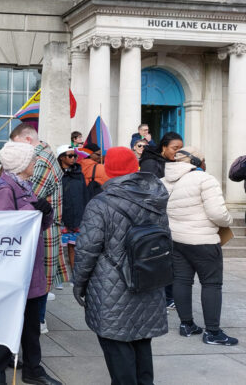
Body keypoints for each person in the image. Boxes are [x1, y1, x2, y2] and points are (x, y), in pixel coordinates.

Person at [73, 146, 168, 385]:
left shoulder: (100, 203)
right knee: (141, 339)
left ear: (108, 169)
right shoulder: (156, 197)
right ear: (134, 167)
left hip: (112, 283)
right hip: (148, 278)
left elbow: (86, 249)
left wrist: (79, 284)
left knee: (116, 343)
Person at [0, 141, 60, 385]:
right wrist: (32, 213)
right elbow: (3, 230)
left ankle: (34, 369)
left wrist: (44, 213)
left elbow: (38, 226)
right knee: (7, 323)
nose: (35, 163)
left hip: (30, 268)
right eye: (32, 160)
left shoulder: (24, 185)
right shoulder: (5, 188)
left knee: (32, 325)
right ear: (22, 164)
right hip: (14, 271)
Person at [162, 147, 238, 346]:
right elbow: (217, 214)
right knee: (212, 284)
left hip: (176, 239)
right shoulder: (205, 179)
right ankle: (212, 332)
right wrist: (228, 220)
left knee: (181, 280)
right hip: (202, 240)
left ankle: (187, 325)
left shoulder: (164, 181)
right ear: (197, 161)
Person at [11, 123, 68, 334]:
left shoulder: (41, 160)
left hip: (42, 228)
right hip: (41, 225)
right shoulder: (43, 155)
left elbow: (29, 195)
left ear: (27, 140)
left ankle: (39, 321)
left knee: (39, 279)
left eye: (16, 146)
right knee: (39, 277)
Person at [139, 131, 183, 309]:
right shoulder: (151, 163)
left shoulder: (175, 163)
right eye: (175, 148)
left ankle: (169, 296)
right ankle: (164, 297)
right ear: (164, 147)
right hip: (155, 217)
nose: (178, 152)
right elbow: (149, 191)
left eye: (181, 149)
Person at [57, 144, 88, 272]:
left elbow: (84, 194)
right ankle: (58, 276)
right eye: (70, 155)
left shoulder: (79, 173)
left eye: (74, 156)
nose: (73, 158)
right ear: (61, 158)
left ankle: (75, 274)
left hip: (77, 215)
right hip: (61, 216)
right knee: (58, 247)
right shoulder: (57, 175)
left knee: (73, 246)